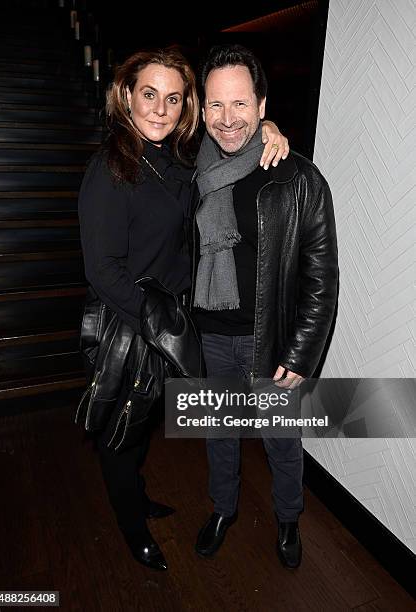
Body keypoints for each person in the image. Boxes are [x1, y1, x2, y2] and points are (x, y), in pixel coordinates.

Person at [78, 46, 289, 572]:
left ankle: (139, 496)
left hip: (169, 320)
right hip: (128, 323)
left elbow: (233, 135)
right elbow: (102, 272)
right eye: (149, 94)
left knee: (145, 419)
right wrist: (159, 325)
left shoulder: (175, 157)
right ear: (126, 95)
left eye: (173, 98)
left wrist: (271, 127)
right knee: (121, 428)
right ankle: (132, 528)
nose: (159, 108)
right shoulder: (111, 167)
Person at [192, 44, 338, 569]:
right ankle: (222, 511)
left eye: (240, 104)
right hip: (211, 332)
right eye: (215, 105)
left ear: (260, 105)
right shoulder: (197, 172)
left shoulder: (297, 177)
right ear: (202, 108)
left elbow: (321, 277)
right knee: (220, 434)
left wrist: (301, 354)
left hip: (270, 341)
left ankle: (288, 519)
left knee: (281, 439)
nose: (228, 119)